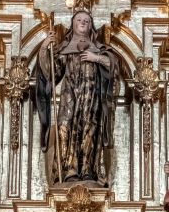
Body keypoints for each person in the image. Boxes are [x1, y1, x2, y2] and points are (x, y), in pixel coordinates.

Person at [33, 10, 119, 185]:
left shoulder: (99, 49)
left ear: (91, 26)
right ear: (72, 24)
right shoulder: (65, 49)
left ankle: (88, 171)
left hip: (90, 97)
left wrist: (96, 58)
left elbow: (113, 65)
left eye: (87, 20)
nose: (83, 22)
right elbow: (51, 72)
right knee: (64, 128)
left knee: (90, 128)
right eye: (79, 19)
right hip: (69, 96)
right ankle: (68, 170)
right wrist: (44, 47)